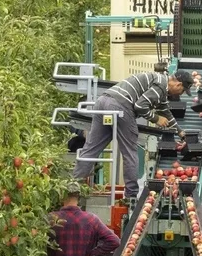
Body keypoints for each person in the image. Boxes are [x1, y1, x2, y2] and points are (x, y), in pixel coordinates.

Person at [71, 70, 193, 201]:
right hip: (120, 107)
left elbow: (165, 112)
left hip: (103, 102)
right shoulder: (161, 86)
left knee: (90, 149)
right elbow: (140, 106)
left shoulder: (160, 85)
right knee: (130, 152)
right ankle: (131, 196)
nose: (180, 94)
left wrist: (180, 132)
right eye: (182, 91)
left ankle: (72, 190)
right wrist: (156, 119)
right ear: (178, 84)